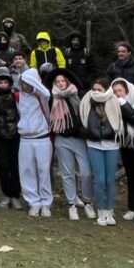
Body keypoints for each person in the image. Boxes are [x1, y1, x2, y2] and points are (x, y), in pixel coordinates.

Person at [47, 69, 96, 220]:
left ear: (68, 82)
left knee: (86, 172)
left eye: (63, 81)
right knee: (67, 173)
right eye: (57, 81)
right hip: (62, 138)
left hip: (79, 139)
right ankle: (71, 204)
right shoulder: (52, 97)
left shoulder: (77, 94)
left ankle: (87, 202)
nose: (61, 84)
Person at [80, 78, 126, 226]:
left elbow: (120, 121)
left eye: (99, 89)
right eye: (94, 89)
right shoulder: (87, 101)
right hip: (94, 145)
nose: (96, 92)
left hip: (112, 145)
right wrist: (92, 134)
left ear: (106, 89)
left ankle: (109, 211)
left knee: (110, 180)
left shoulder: (114, 101)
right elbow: (83, 122)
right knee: (99, 180)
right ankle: (101, 211)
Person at [17, 68, 53, 217]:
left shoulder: (41, 95)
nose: (25, 85)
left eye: (27, 82)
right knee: (26, 171)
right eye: (23, 82)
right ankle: (33, 202)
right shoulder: (19, 96)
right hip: (25, 138)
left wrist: (32, 80)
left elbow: (47, 93)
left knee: (43, 171)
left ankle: (46, 203)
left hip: (42, 137)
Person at [110, 77, 134, 222]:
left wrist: (123, 104)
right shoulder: (113, 104)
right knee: (131, 177)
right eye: (115, 91)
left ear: (127, 91)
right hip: (125, 144)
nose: (117, 94)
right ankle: (133, 208)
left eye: (120, 91)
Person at [0, 68, 23, 209]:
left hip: (15, 135)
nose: (3, 84)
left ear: (9, 82)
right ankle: (6, 194)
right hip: (0, 136)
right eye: (0, 82)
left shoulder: (16, 94)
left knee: (15, 166)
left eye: (5, 82)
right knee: (2, 166)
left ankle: (15, 195)